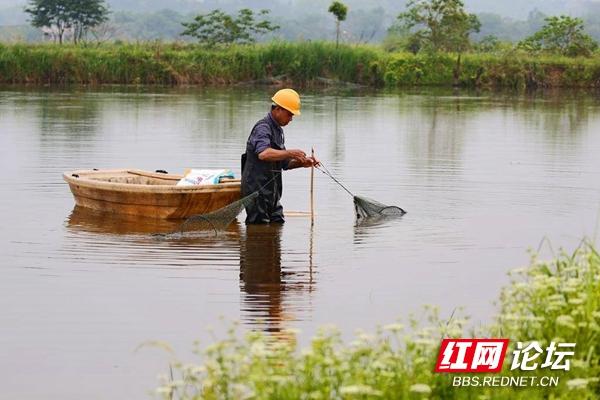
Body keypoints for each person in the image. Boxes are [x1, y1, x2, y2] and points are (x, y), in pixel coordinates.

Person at [241, 88, 318, 224]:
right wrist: (290, 152)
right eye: (289, 114)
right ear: (278, 110)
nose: (291, 119)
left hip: (272, 193)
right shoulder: (263, 128)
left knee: (278, 223)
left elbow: (285, 164)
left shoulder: (278, 130)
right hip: (256, 192)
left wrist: (303, 163)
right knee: (259, 231)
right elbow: (263, 154)